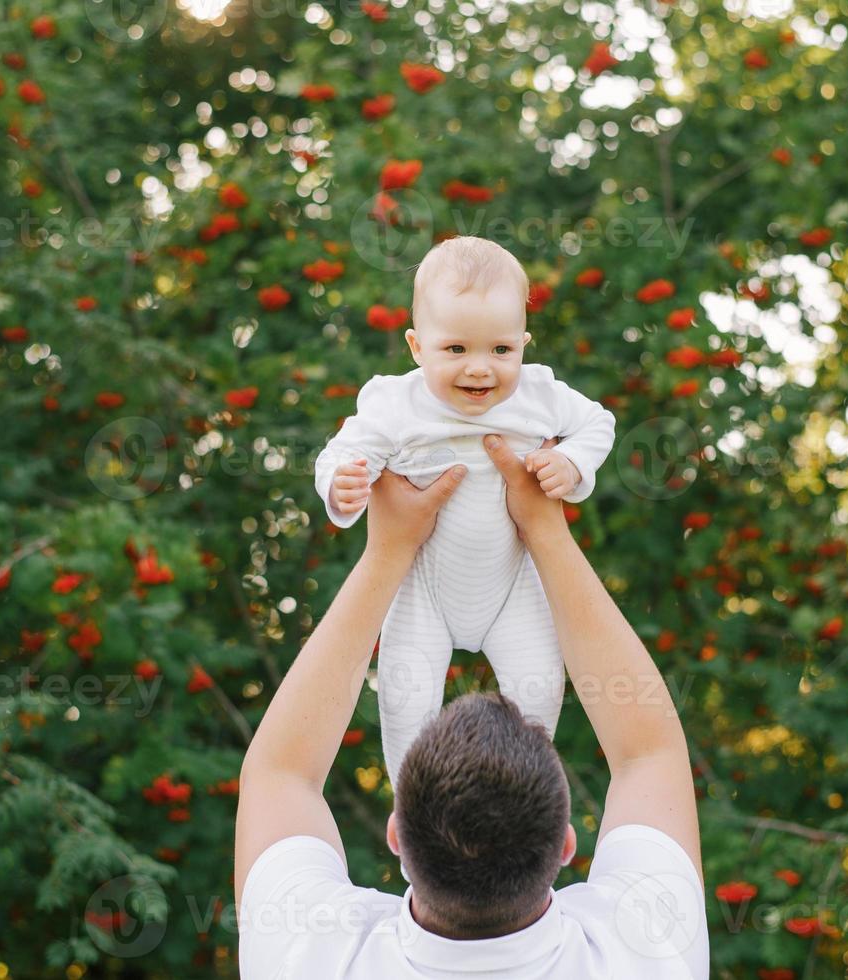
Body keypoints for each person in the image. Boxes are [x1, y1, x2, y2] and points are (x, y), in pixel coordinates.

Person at [235, 434, 709, 977]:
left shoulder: (309, 950)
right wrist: (544, 529)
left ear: (396, 836)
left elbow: (280, 772)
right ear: (564, 846)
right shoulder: (645, 950)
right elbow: (649, 752)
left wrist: (388, 550)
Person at [313, 236, 615, 790]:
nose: (481, 369)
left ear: (523, 343)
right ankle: (411, 820)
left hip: (512, 583)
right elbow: (340, 453)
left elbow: (599, 424)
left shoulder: (540, 394)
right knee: (406, 700)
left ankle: (528, 808)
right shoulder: (394, 404)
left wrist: (570, 463)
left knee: (539, 689)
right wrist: (341, 484)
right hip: (422, 587)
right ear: (416, 346)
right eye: (456, 350)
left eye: (501, 351)